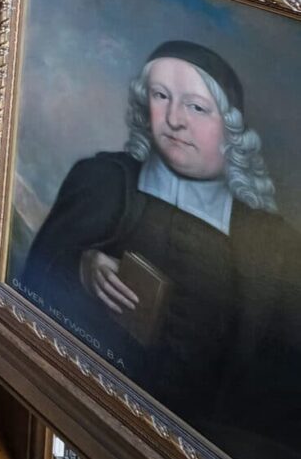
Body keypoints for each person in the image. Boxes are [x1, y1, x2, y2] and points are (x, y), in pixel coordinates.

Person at [18, 43, 301, 457]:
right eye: (160, 96)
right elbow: (28, 293)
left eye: (196, 107)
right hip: (87, 411)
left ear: (231, 129)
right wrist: (81, 266)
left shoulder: (272, 242)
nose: (173, 120)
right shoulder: (102, 182)